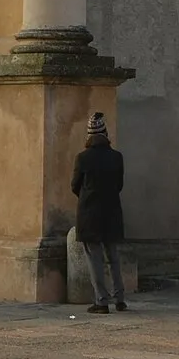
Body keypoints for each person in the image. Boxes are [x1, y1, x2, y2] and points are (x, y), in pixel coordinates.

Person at [71, 111, 126, 313]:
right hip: (112, 211)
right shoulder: (116, 157)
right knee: (113, 256)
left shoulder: (82, 158)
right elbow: (119, 185)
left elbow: (74, 186)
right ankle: (120, 298)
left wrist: (88, 196)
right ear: (105, 134)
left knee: (94, 258)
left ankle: (101, 301)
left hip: (89, 213)